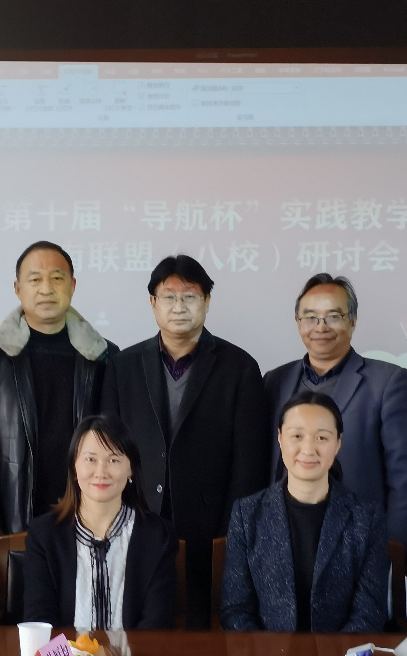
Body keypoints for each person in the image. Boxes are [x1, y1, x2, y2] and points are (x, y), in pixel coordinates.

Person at [101, 254, 269, 628]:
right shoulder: (123, 366)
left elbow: (249, 461)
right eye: (169, 297)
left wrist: (232, 532)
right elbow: (109, 448)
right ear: (153, 303)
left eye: (190, 297)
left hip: (210, 526)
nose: (179, 307)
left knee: (202, 623)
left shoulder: (240, 367)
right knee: (137, 621)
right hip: (137, 519)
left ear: (206, 301)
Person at [0, 240, 117, 540]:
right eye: (35, 280)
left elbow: (114, 446)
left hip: (86, 517)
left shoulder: (102, 356)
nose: (46, 289)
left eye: (57, 278)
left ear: (72, 285)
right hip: (14, 517)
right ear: (17, 288)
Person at [263, 273, 407, 544]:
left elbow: (403, 477)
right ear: (298, 322)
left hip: (358, 538)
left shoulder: (387, 381)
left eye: (333, 316)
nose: (320, 327)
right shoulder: (275, 380)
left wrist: (395, 547)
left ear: (352, 321)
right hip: (282, 535)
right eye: (310, 317)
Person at [221, 392, 389, 633]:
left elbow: (369, 614)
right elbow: (236, 610)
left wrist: (337, 652)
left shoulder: (366, 518)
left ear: (338, 442)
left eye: (322, 437)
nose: (308, 449)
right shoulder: (247, 514)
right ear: (280, 438)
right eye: (297, 436)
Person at [23, 415, 178, 630]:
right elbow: (40, 622)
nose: (101, 472)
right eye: (90, 459)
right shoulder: (43, 536)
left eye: (113, 460)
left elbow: (157, 626)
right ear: (74, 468)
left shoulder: (158, 536)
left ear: (131, 469)